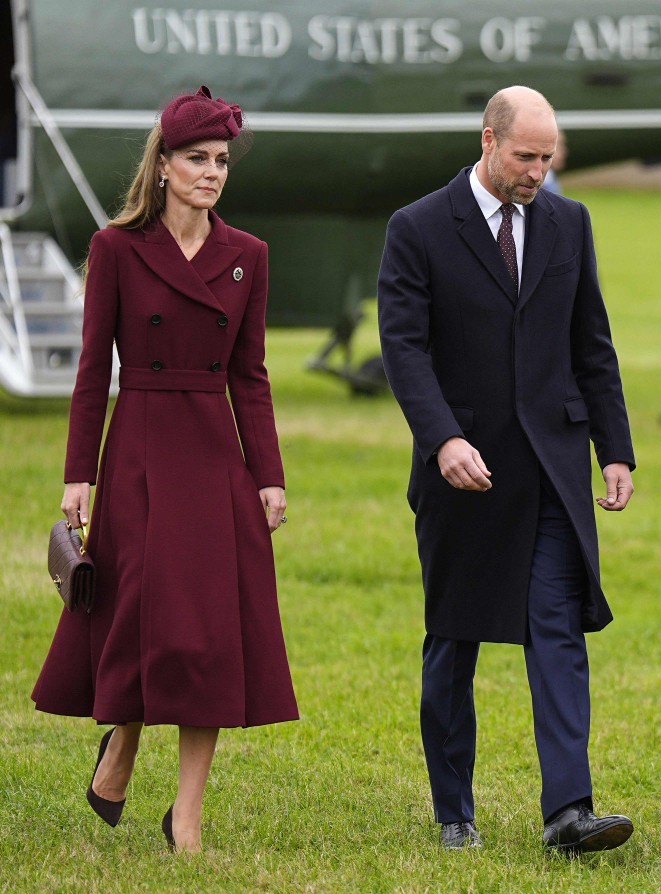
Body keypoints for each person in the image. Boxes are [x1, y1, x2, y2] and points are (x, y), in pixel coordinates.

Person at [31, 86, 297, 853]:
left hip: (214, 455)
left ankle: (187, 814)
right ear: (164, 165)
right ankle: (121, 742)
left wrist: (269, 475)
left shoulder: (248, 256)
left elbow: (251, 375)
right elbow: (92, 372)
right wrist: (79, 474)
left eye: (222, 161)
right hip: (139, 449)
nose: (212, 173)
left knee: (205, 633)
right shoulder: (117, 249)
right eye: (197, 159)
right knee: (142, 618)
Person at [377, 85, 636, 854]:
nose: (537, 171)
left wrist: (615, 448)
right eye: (526, 156)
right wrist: (443, 439)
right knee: (454, 639)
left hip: (553, 468)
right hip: (465, 469)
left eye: (547, 157)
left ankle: (569, 812)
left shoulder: (568, 222)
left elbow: (592, 342)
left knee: (557, 631)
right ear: (488, 141)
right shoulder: (418, 227)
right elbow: (404, 349)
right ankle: (454, 810)